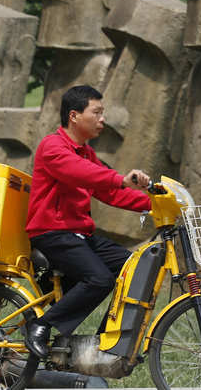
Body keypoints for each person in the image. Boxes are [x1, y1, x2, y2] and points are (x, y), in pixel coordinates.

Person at [24, 85, 151, 358]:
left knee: (133, 267)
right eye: (97, 113)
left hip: (79, 235)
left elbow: (109, 192)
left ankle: (107, 342)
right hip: (52, 233)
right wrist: (119, 178)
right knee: (100, 279)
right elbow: (83, 174)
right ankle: (40, 326)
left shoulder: (86, 153)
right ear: (74, 116)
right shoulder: (53, 147)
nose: (102, 119)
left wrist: (155, 204)